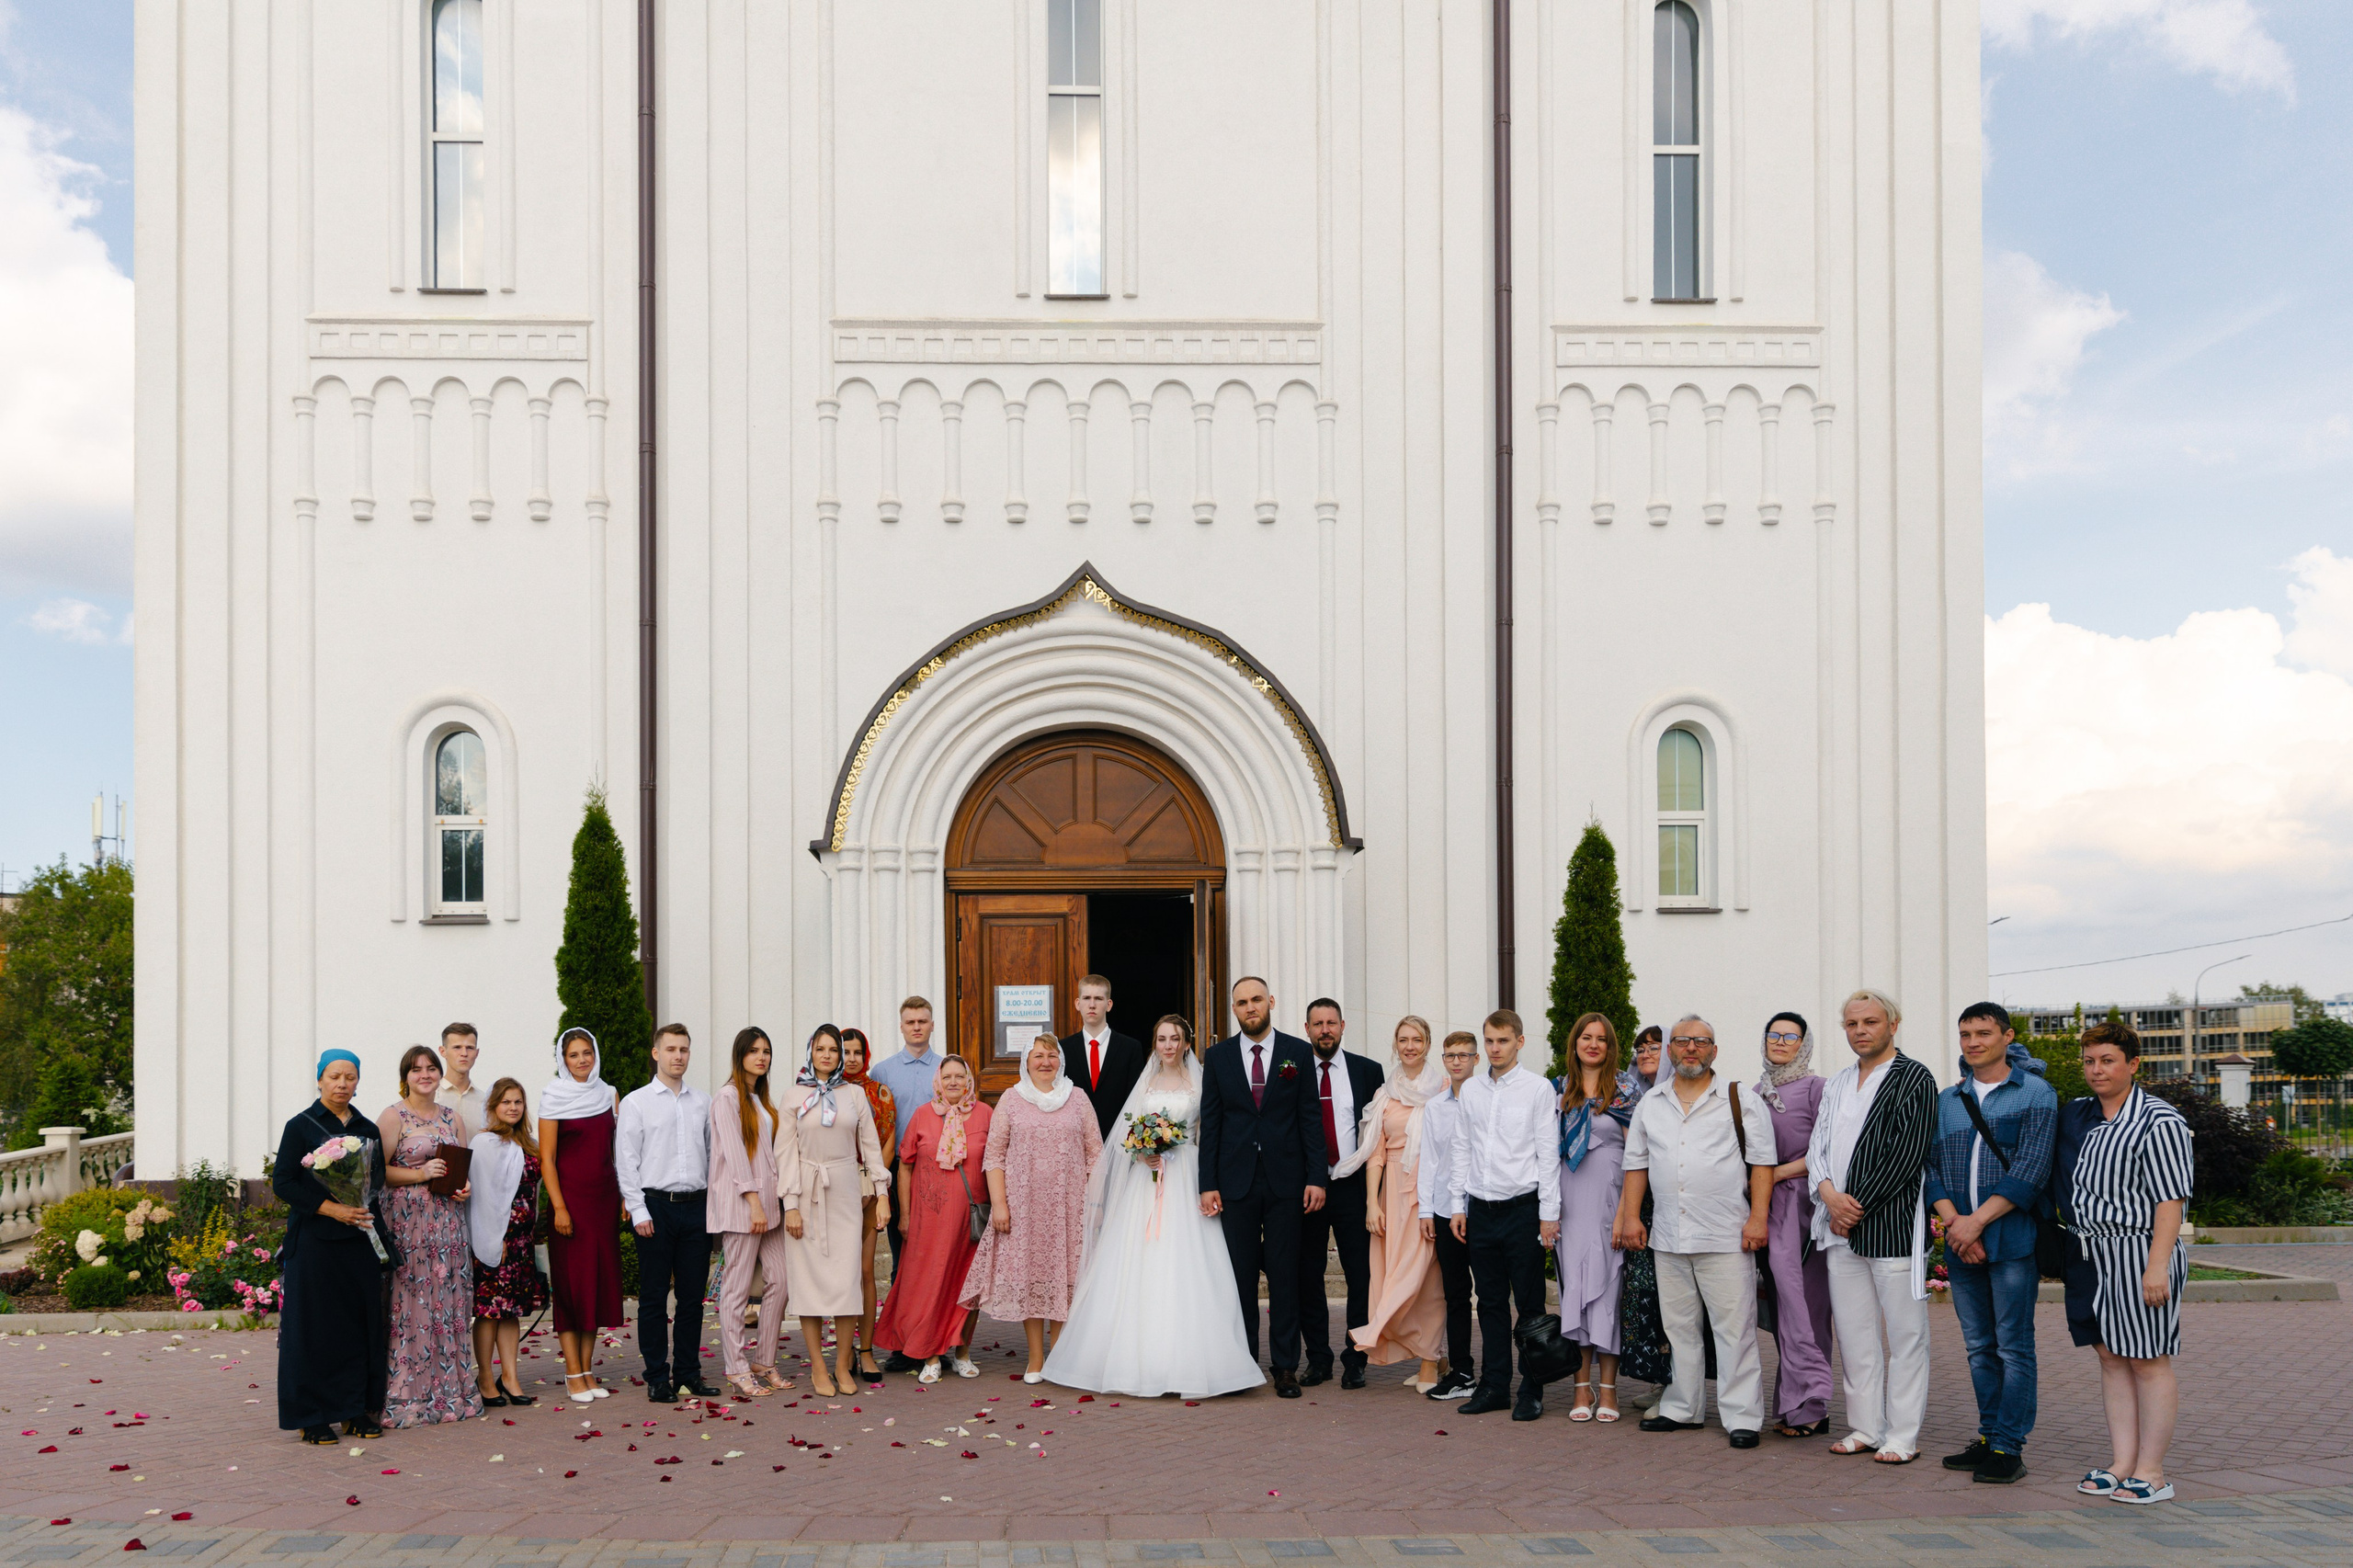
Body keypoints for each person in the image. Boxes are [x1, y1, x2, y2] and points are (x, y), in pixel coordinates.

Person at [1044, 1014, 1267, 1398]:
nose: (1168, 1045)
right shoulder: (1145, 1081)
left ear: (1185, 1043)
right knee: (1139, 1258)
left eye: (1175, 1038)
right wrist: (1141, 1151)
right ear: (1155, 1043)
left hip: (1187, 1177)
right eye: (1161, 1038)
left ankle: (1196, 1359)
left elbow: (1211, 1129)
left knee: (1190, 1261)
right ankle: (1134, 1357)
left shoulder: (1200, 1080)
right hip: (1146, 1183)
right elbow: (1124, 1132)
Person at [1615, 1015, 1775, 1446]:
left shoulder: (1739, 1099)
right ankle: (1683, 1408)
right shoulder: (1652, 1103)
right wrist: (1631, 1217)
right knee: (1679, 1329)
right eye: (1683, 1041)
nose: (1691, 1048)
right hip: (1668, 1235)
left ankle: (1742, 1416)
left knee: (1734, 1329)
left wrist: (1758, 1219)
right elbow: (1636, 1165)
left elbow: (1762, 1164)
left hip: (1725, 1235)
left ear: (1714, 1051)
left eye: (1701, 1042)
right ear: (1671, 1050)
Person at [2055, 1020, 2192, 1506]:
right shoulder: (2077, 1114)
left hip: (2139, 1251)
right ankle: (2122, 1463)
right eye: (2090, 1061)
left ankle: (2153, 1471)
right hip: (2089, 1251)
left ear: (2133, 1065)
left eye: (2107, 1060)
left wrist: (2157, 1267)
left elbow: (2170, 1200)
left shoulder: (2160, 1121)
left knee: (2148, 1359)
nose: (2097, 1070)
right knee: (2111, 1357)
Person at [1929, 1002, 2059, 1483]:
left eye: (1983, 1032)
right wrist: (1954, 1224)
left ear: (2006, 1036)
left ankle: (2009, 1447)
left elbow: (2032, 1169)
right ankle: (1987, 1436)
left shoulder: (2036, 1094)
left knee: (2013, 1347)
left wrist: (1973, 1224)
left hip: (2011, 1241)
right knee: (1978, 1346)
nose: (1972, 1042)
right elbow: (1932, 1169)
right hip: (1962, 1242)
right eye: (1965, 1034)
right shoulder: (1947, 1101)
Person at [1809, 989, 1940, 1463]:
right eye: (1851, 1024)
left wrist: (1853, 1205)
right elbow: (1817, 1145)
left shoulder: (1914, 1079)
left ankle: (1902, 1435)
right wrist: (1827, 1194)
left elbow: (1906, 1157)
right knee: (1856, 1335)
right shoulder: (1840, 1082)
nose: (1860, 1031)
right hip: (1838, 1228)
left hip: (1891, 1229)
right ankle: (1866, 1427)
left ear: (1893, 1024)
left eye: (1869, 1022)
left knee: (1906, 1337)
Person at [1198, 975, 1325, 1397]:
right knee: (1239, 1278)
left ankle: (1286, 1367)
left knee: (1286, 1276)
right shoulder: (1217, 1058)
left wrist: (1316, 1177)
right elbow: (1212, 1124)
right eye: (1241, 1003)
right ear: (1233, 1010)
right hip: (1235, 1184)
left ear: (1270, 1001)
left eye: (1256, 999)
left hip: (1287, 1182)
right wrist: (1207, 1183)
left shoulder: (1297, 1053)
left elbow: (1311, 1118)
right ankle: (1244, 1363)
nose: (1250, 1007)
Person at [962, 1033, 1104, 1380]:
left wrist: (1097, 1204)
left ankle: (1060, 1356)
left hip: (1069, 1207)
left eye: (1052, 1055)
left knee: (1064, 1277)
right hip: (1022, 1207)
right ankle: (1036, 1359)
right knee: (1031, 1278)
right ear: (1026, 1061)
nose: (1045, 1062)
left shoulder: (1078, 1099)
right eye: (1038, 1055)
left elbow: (1095, 1155)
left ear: (1061, 1061)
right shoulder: (1011, 1100)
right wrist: (999, 1204)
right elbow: (993, 1155)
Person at [1446, 1008, 1565, 1421]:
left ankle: (1532, 1390)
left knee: (1530, 1305)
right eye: (1490, 1041)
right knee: (1490, 1302)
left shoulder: (1537, 1090)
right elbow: (1462, 1148)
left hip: (1523, 1211)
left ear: (1520, 1041)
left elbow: (1548, 1154)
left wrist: (1549, 1215)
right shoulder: (1472, 1091)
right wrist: (1458, 1206)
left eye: (1503, 1041)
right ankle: (1495, 1385)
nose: (1496, 1049)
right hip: (1480, 1210)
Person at [274, 1050, 394, 1444]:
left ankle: (354, 1410)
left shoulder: (366, 1128)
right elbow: (284, 1183)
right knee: (314, 1329)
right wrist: (333, 1209)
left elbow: (375, 1182)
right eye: (335, 1076)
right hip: (314, 1241)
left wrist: (361, 1214)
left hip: (356, 1240)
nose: (343, 1084)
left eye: (351, 1077)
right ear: (320, 1080)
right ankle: (313, 1416)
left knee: (357, 1326)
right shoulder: (301, 1125)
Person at [1338, 1016, 1448, 1391]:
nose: (1410, 1046)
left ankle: (1428, 1361)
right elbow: (1376, 1155)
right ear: (1395, 1045)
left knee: (1424, 1280)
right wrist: (1372, 1203)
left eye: (1417, 1039)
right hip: (1392, 1197)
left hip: (1428, 1192)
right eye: (1403, 1040)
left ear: (1428, 1044)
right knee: (1391, 1280)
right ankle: (1433, 1354)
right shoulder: (1385, 1095)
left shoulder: (1443, 1089)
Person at [783, 1025, 893, 1394]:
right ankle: (818, 1367)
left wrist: (882, 1194)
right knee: (811, 1283)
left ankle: (843, 1365)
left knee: (848, 1282)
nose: (829, 1055)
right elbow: (784, 1156)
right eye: (822, 1049)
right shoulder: (793, 1095)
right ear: (810, 1052)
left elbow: (872, 1148)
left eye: (835, 1049)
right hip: (807, 1191)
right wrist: (791, 1206)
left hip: (846, 1191)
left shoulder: (854, 1095)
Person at [376, 1044, 482, 1427]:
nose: (425, 1075)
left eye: (431, 1069)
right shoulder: (393, 1117)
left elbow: (460, 1167)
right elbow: (379, 1173)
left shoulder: (453, 1118)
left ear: (440, 1074)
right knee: (412, 1306)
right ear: (405, 1076)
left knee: (447, 1305)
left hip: (448, 1225)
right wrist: (421, 1174)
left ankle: (451, 1394)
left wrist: (463, 1187)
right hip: (408, 1225)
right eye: (416, 1069)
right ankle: (407, 1397)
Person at [614, 1023, 716, 1403]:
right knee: (654, 1298)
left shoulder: (702, 1101)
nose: (678, 1056)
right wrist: (637, 1209)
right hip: (654, 1208)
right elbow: (626, 1161)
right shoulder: (637, 1102)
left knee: (692, 1299)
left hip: (696, 1208)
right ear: (656, 1053)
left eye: (684, 1050)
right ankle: (657, 1376)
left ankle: (688, 1374)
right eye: (671, 1049)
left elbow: (712, 1155)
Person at [875, 1048, 984, 1382]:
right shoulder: (922, 1115)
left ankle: (962, 1352)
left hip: (970, 1220)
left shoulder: (986, 1115)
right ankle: (932, 1355)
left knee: (968, 1287)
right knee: (930, 1286)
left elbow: (996, 1164)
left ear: (968, 1080)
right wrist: (904, 1216)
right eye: (947, 1076)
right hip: (929, 1219)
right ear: (938, 1081)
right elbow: (904, 1166)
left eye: (959, 1076)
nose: (954, 1082)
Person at [1753, 1012, 1836, 1439]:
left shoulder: (1817, 1088)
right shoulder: (1755, 1092)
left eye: (1791, 1036)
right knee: (1785, 1307)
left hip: (1805, 1207)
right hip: (1767, 1209)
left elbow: (1827, 1150)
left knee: (1808, 1306)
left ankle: (1813, 1404)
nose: (1781, 1042)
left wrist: (1776, 1174)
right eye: (1774, 1035)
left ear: (1804, 1043)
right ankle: (1793, 1401)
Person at [1553, 1012, 1637, 1422]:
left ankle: (1609, 1391)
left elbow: (1637, 1158)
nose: (1592, 1044)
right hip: (1569, 1204)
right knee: (1576, 1293)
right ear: (1574, 1044)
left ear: (1610, 1047)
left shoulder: (1625, 1091)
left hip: (1610, 1201)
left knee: (1606, 1294)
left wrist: (1626, 1214)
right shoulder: (1557, 1090)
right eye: (1585, 1037)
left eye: (1601, 1039)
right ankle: (1580, 1390)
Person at [1298, 997, 1384, 1389]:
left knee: (1360, 1275)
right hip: (1308, 1188)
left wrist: (1376, 1196)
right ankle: (1318, 1358)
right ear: (1307, 1029)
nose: (1325, 1030)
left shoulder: (1369, 1071)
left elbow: (1379, 1133)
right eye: (1318, 1024)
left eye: (1331, 1022)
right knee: (1308, 1275)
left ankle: (1356, 1357)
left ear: (1343, 1026)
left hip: (1352, 1185)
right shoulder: (1295, 1071)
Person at [539, 1027, 627, 1403]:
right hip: (570, 1204)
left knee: (595, 1287)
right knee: (573, 1289)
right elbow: (547, 1160)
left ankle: (588, 1371)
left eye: (587, 1053)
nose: (581, 1061)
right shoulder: (552, 1096)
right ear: (563, 1059)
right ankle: (572, 1373)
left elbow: (619, 1149)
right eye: (573, 1055)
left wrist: (624, 1194)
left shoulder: (608, 1094)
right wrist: (558, 1207)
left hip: (604, 1201)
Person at [710, 1027, 795, 1400]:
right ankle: (736, 1368)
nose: (762, 1057)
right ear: (740, 1055)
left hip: (770, 1205)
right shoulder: (727, 1098)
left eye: (767, 1051)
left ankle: (763, 1358)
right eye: (754, 1051)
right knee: (737, 1290)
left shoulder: (760, 1100)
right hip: (745, 1206)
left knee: (781, 1281)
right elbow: (733, 1154)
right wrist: (754, 1201)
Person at [466, 1075, 547, 1408]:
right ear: (493, 1106)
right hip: (495, 1240)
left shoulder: (529, 1143)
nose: (512, 1108)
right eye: (506, 1102)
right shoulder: (484, 1143)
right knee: (488, 1311)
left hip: (521, 1242)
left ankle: (510, 1377)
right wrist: (492, 1237)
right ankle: (485, 1377)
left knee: (511, 1311)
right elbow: (483, 1197)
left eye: (518, 1102)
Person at [870, 995, 946, 1325]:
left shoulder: (947, 1070)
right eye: (910, 1022)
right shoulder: (882, 1071)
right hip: (897, 1172)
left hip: (938, 1176)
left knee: (934, 1260)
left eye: (923, 1021)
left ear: (932, 1024)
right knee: (903, 1260)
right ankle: (903, 1341)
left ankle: (934, 1341)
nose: (917, 1027)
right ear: (901, 1027)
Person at [1419, 1030, 1482, 1402]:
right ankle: (1461, 1370)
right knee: (1456, 1295)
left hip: (1484, 1208)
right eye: (1450, 1056)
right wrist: (1426, 1210)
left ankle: (1498, 1373)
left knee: (1490, 1295)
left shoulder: (1486, 1102)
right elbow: (1428, 1160)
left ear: (1476, 1059)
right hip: (1445, 1210)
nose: (1457, 1061)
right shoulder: (1435, 1107)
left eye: (1464, 1055)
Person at [839, 1028, 896, 1383]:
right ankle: (842, 1353)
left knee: (863, 1270)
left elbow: (888, 1140)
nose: (852, 1059)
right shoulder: (824, 1093)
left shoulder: (879, 1093)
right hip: (834, 1188)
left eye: (858, 1052)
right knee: (839, 1274)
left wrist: (877, 1186)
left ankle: (866, 1350)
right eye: (846, 1052)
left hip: (870, 1184)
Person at [1061, 974, 1147, 1142]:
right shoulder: (1063, 1049)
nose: (1092, 1005)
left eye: (1098, 999)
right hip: (1074, 1140)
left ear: (1109, 1005)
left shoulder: (1130, 1048)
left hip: (1119, 1142)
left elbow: (1135, 1098)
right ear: (1078, 1004)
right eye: (1087, 998)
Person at [436, 1022, 488, 1136]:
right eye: (457, 1047)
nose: (464, 1053)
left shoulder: (486, 1102)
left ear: (477, 1053)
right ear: (442, 1051)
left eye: (470, 1048)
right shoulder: (432, 1097)